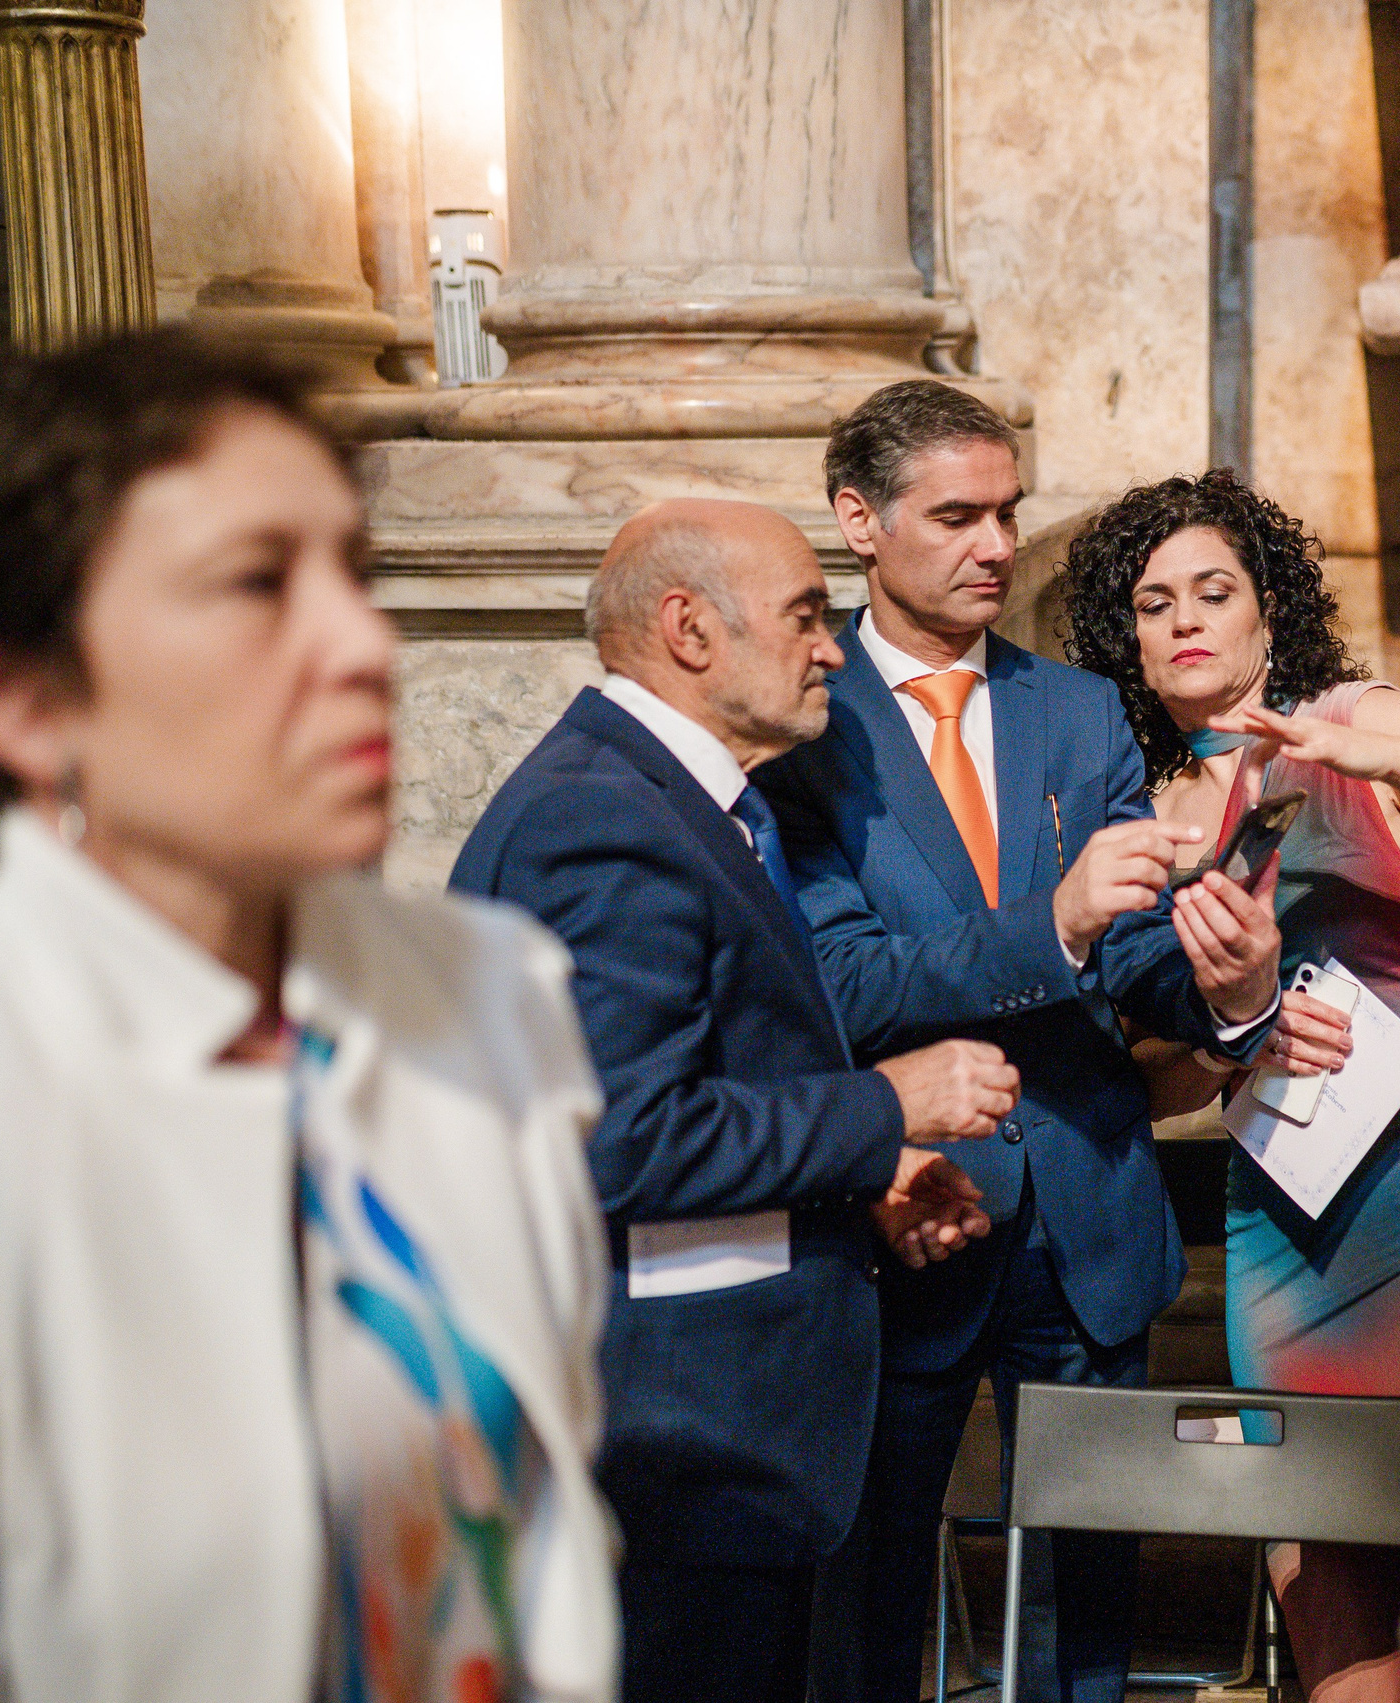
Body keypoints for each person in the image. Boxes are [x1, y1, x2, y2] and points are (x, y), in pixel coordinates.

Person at [0, 331, 619, 1703]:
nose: (362, 644)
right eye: (255, 583)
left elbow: (534, 1533)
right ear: (20, 697)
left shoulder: (488, 990)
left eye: (353, 571)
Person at [751, 382, 1285, 1703]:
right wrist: (1051, 923)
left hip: (1089, 1213)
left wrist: (1226, 994)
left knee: (1083, 1619)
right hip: (906, 1222)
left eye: (1007, 512)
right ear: (859, 520)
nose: (996, 545)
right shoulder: (804, 723)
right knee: (866, 1610)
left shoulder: (1079, 708)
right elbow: (840, 980)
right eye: (956, 516)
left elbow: (1136, 949)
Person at [447, 500, 1015, 1703]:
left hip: (722, 1446)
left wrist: (862, 1179)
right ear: (689, 629)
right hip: (674, 1447)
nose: (831, 648)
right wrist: (884, 1104)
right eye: (804, 615)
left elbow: (707, 1082)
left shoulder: (675, 800)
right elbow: (617, 1138)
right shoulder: (603, 818)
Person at [1057, 470, 1400, 1703]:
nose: (1185, 619)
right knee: (1327, 1592)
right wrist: (1239, 1033)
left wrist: (1380, 752)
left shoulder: (1358, 722)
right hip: (1291, 1231)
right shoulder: (1143, 822)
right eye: (1154, 603)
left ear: (1267, 608)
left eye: (1212, 591)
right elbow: (1146, 1081)